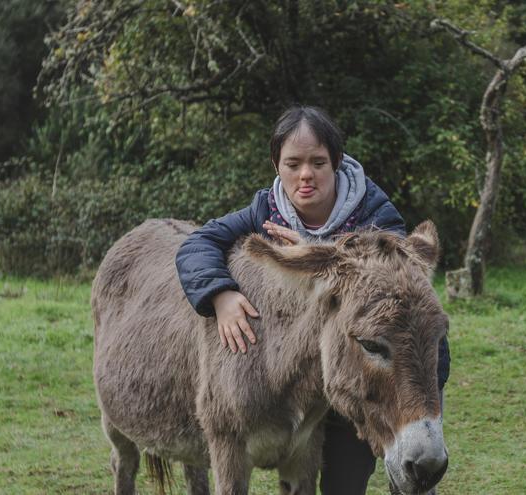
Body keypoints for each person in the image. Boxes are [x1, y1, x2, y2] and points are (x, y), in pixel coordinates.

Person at [175, 105, 450, 494]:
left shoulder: (377, 215)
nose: (305, 175)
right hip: (306, 378)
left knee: (349, 483)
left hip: (357, 379)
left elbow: (404, 316)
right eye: (293, 164)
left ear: (336, 162)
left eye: (318, 162)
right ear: (277, 165)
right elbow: (198, 245)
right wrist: (219, 295)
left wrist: (314, 252)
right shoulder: (264, 210)